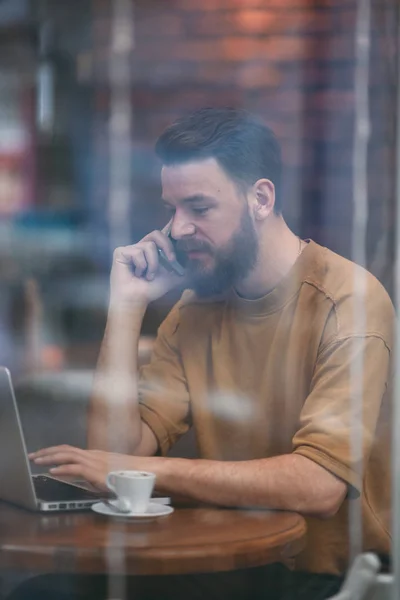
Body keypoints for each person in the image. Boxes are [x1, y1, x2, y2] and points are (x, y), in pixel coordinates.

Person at [13, 108, 393, 599]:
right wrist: (126, 307)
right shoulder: (195, 308)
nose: (177, 229)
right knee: (42, 593)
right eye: (172, 208)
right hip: (230, 563)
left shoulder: (349, 302)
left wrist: (143, 473)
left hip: (324, 577)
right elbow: (119, 454)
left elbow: (318, 486)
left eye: (199, 207)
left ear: (260, 198)